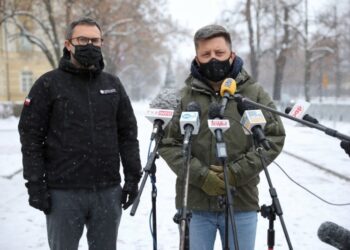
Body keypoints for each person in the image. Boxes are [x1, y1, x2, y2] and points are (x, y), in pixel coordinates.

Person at [18, 17, 142, 250]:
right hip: (63, 194)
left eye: (95, 40)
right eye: (82, 39)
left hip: (107, 192)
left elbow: (127, 135)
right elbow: (30, 137)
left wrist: (133, 178)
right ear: (68, 44)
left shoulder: (113, 84)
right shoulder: (48, 84)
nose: (89, 45)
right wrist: (35, 184)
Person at [158, 24, 286, 250]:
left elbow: (273, 138)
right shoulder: (184, 96)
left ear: (231, 55)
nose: (213, 59)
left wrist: (235, 173)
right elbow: (169, 143)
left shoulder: (254, 93)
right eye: (206, 54)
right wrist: (203, 176)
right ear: (197, 58)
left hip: (242, 203)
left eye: (219, 53)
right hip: (194, 205)